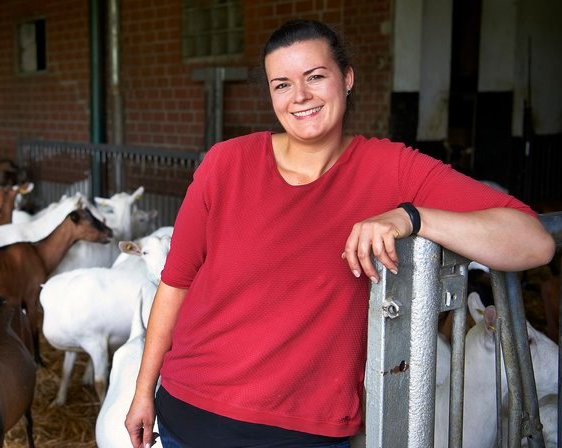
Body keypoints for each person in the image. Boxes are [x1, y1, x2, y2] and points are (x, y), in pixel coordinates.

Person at [123, 19, 556, 448]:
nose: (300, 97)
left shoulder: (392, 168)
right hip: (190, 415)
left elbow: (533, 241)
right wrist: (144, 391)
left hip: (308, 432)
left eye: (315, 76)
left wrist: (413, 217)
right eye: (282, 85)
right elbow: (175, 284)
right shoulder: (226, 164)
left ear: (346, 78)